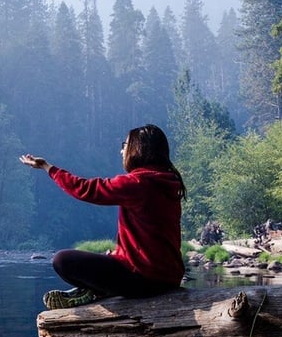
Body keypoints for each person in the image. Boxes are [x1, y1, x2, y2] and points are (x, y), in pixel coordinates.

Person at [20, 124, 186, 309]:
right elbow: (149, 241)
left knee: (62, 261)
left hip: (144, 280)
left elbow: (85, 189)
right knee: (107, 258)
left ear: (138, 149)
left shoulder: (137, 183)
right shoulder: (169, 183)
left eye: (125, 145)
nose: (121, 150)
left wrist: (47, 167)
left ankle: (99, 289)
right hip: (170, 277)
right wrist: (117, 256)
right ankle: (101, 287)